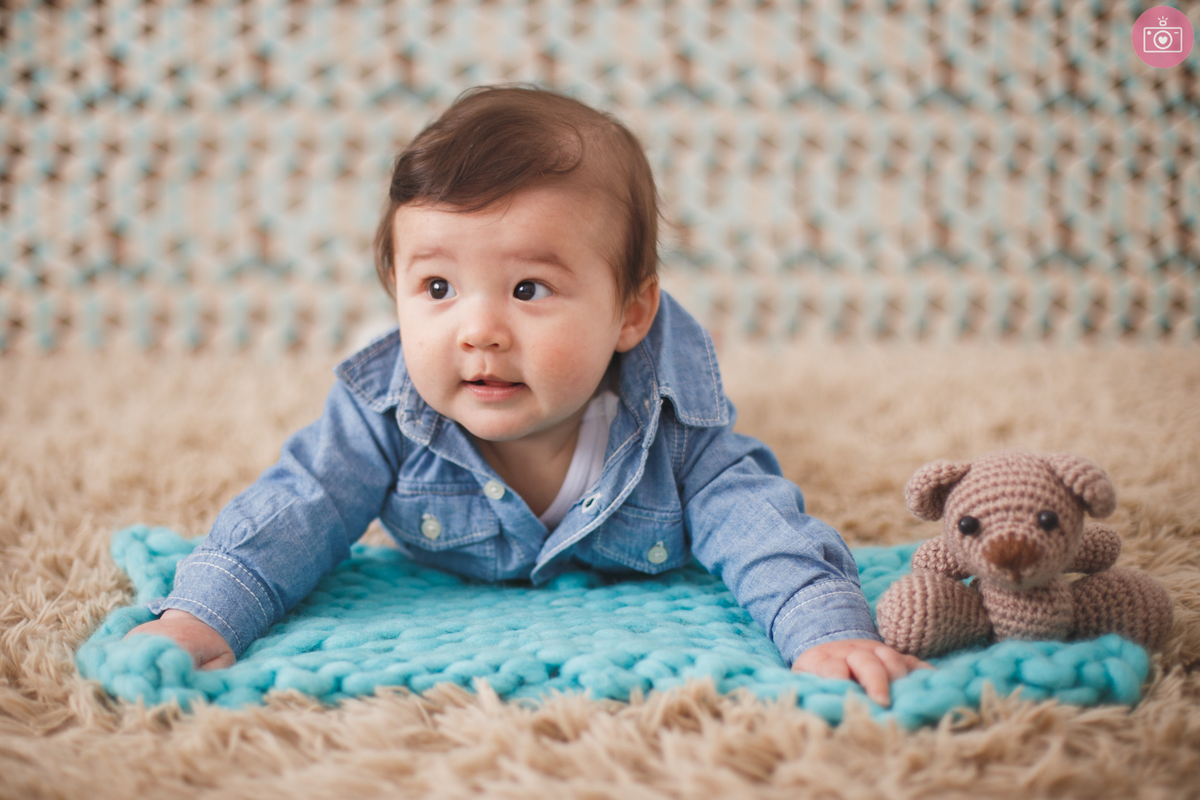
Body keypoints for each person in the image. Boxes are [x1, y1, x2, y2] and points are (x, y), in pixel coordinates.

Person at [128, 85, 927, 705]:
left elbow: (762, 528)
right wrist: (206, 613)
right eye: (437, 286)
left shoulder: (674, 432)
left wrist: (823, 633)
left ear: (630, 311)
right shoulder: (385, 416)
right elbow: (297, 505)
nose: (480, 330)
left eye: (530, 288)